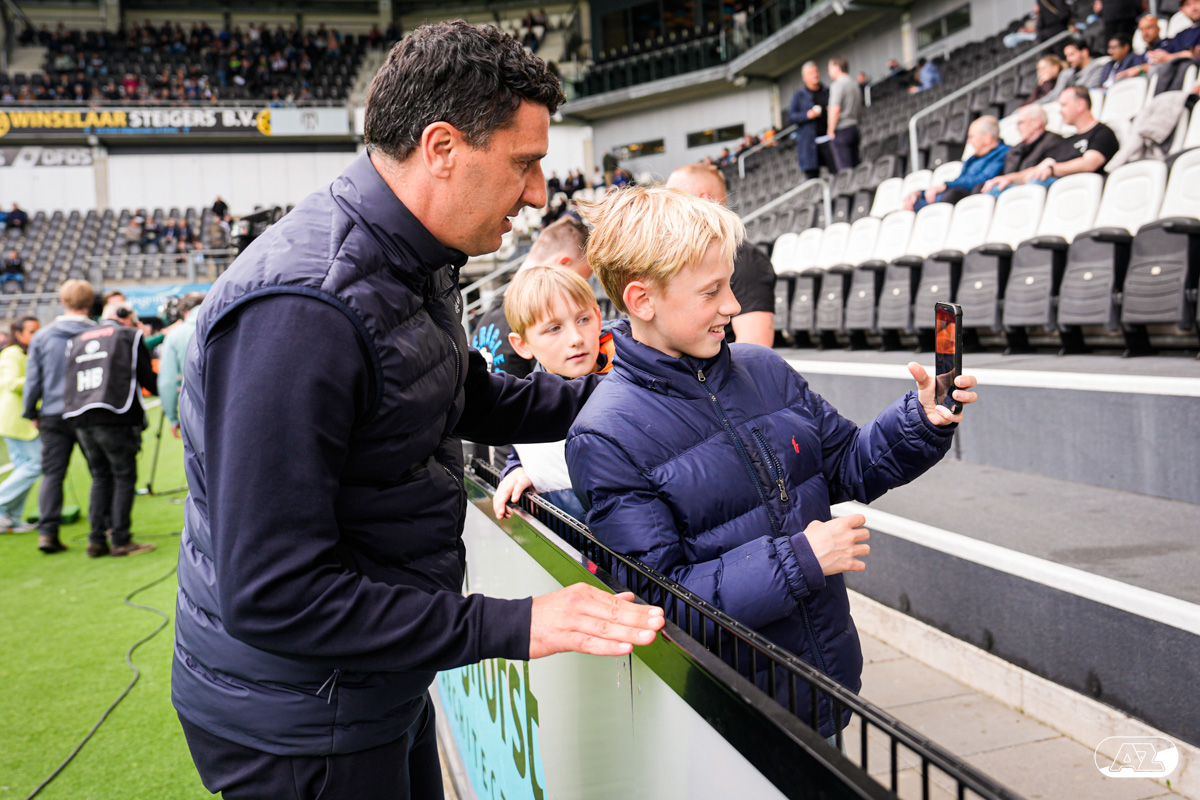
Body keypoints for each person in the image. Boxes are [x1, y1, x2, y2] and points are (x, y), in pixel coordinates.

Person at [171, 23, 664, 800]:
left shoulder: (411, 255)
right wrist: (516, 624)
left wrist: (630, 397)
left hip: (370, 684)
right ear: (442, 148)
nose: (540, 194)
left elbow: (464, 395)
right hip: (304, 725)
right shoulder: (302, 310)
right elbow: (272, 593)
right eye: (525, 163)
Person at [565, 185, 978, 740]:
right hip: (724, 717)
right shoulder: (605, 435)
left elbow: (849, 464)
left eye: (729, 285)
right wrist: (802, 559)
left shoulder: (764, 368)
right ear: (642, 300)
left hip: (822, 685)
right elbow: (659, 600)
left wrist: (919, 420)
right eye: (711, 291)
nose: (733, 306)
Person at [490, 264, 615, 522]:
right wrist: (518, 469)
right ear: (522, 345)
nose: (576, 338)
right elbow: (524, 449)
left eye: (583, 320)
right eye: (555, 328)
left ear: (598, 317)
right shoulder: (533, 402)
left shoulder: (640, 367)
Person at [62, 301, 158, 558]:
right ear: (125, 316)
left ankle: (96, 540)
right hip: (114, 415)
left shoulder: (77, 339)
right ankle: (120, 540)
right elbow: (148, 379)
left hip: (80, 417)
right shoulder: (128, 335)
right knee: (124, 477)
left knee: (100, 477)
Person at [23, 279, 98, 554]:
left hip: (53, 413)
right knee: (100, 473)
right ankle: (101, 531)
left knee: (53, 474)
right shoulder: (100, 332)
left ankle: (47, 533)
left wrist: (31, 411)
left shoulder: (42, 336)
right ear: (90, 303)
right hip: (90, 411)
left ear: (63, 301)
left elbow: (33, 380)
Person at [665, 163, 775, 346]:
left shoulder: (746, 259)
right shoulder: (675, 257)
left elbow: (754, 346)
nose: (665, 207)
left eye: (673, 198)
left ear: (703, 199)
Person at [470, 215, 593, 378]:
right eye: (580, 280)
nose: (579, 292)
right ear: (562, 265)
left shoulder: (486, 320)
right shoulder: (535, 326)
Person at [984, 86, 1120, 194]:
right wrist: (1008, 178)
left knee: (1035, 185)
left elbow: (1089, 164)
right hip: (1061, 188)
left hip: (1081, 188)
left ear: (1080, 105)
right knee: (996, 190)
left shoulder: (1102, 132)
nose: (1060, 111)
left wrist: (1051, 169)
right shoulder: (1067, 140)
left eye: (1064, 105)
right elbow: (1037, 170)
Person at [903, 117, 1010, 209]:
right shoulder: (972, 159)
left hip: (971, 198)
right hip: (955, 196)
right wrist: (920, 193)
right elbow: (959, 181)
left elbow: (982, 180)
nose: (968, 141)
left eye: (971, 136)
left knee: (949, 195)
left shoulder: (1004, 153)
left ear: (987, 137)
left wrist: (947, 186)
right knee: (913, 201)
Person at [0, 316, 41, 533]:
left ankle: (11, 519)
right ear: (18, 334)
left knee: (23, 469)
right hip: (16, 420)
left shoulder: (27, 353)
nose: (36, 336)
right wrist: (42, 377)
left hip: (23, 420)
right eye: (31, 331)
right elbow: (11, 383)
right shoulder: (11, 354)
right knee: (36, 465)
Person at [159, 291, 205, 438]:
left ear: (185, 311)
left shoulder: (175, 334)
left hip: (196, 407)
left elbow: (168, 382)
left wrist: (172, 417)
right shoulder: (228, 323)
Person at [1143, 0, 1200, 93]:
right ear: (1182, 10)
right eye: (1188, 5)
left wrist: (1169, 57)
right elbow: (1161, 56)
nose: (1193, 8)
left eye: (1196, 2)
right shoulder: (1180, 35)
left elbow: (1195, 54)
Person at [785, 61, 829, 181]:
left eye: (816, 71)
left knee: (837, 172)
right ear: (804, 78)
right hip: (809, 144)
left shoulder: (826, 92)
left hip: (828, 140)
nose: (814, 75)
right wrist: (807, 115)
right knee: (813, 179)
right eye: (810, 73)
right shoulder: (798, 96)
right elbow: (790, 117)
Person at [1003, 104, 1065, 175]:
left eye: (1021, 123)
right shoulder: (1016, 149)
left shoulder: (1054, 142)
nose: (1018, 128)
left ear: (1036, 123)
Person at [826, 56, 863, 170]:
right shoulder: (854, 84)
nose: (828, 72)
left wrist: (830, 130)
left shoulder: (837, 85)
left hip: (842, 131)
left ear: (837, 67)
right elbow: (859, 109)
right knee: (856, 168)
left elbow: (835, 109)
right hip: (854, 128)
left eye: (830, 68)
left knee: (846, 171)